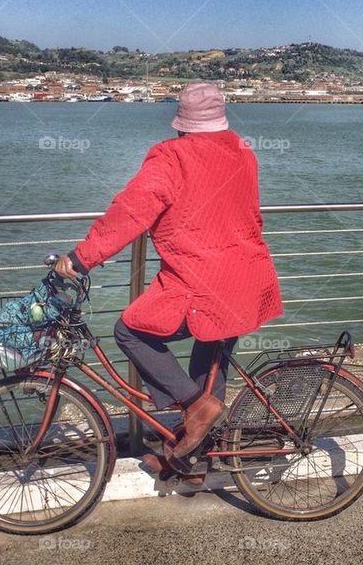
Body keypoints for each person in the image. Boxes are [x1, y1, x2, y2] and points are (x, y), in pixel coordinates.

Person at [54, 82, 282, 463]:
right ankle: (191, 460)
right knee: (209, 362)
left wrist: (81, 258)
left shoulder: (172, 157)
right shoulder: (242, 149)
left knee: (130, 331)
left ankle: (195, 408)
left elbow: (130, 212)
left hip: (202, 279)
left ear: (181, 124)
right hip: (246, 275)